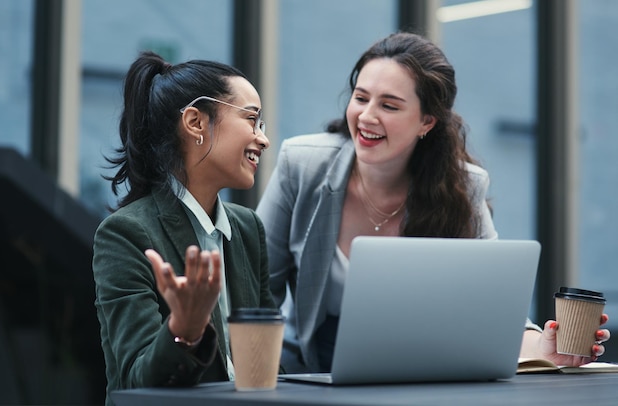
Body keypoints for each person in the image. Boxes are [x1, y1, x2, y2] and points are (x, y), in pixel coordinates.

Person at [256, 32, 610, 373]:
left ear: (426, 121)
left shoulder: (462, 186)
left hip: (418, 376)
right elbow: (255, 289)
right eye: (361, 98)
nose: (366, 117)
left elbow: (497, 312)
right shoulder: (301, 166)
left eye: (389, 105)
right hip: (305, 369)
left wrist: (545, 348)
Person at [92, 51, 274, 405]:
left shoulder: (248, 228)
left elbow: (264, 367)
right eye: (252, 120)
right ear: (195, 122)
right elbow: (135, 382)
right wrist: (185, 330)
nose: (262, 139)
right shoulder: (125, 233)